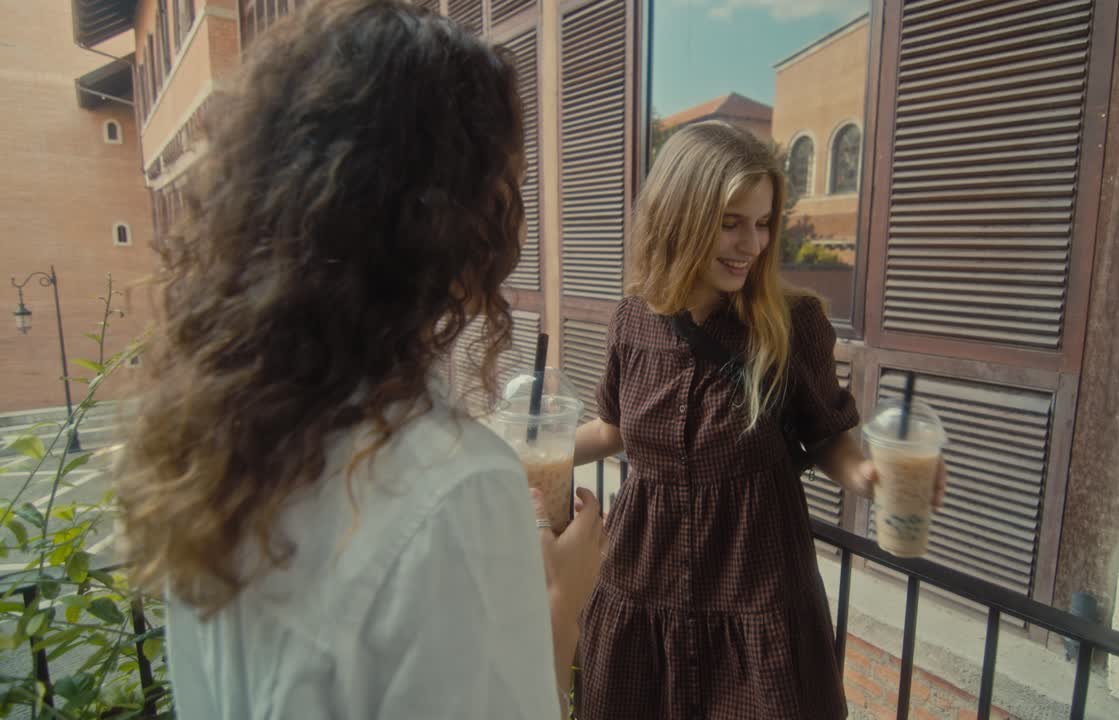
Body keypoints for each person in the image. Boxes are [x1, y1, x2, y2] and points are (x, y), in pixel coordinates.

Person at [115, 3, 603, 719]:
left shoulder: (224, 448)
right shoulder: (455, 492)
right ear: (450, 220)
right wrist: (561, 604)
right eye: (505, 185)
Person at [573, 123, 947, 719]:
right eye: (730, 221)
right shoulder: (633, 322)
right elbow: (613, 428)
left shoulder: (792, 324)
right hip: (643, 583)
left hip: (755, 589)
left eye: (764, 222)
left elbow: (828, 436)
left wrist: (871, 475)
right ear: (679, 215)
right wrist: (521, 450)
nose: (752, 243)